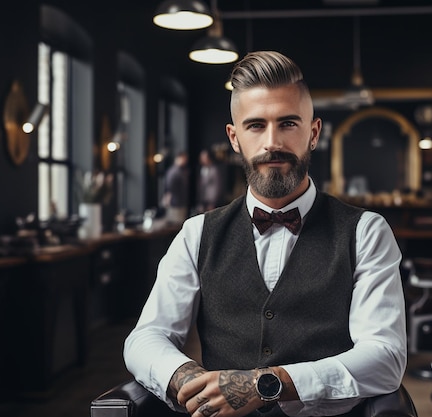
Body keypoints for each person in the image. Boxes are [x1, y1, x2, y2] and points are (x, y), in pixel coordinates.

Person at [124, 51, 407, 417]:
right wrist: (185, 376)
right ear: (235, 137)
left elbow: (385, 357)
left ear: (314, 132)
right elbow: (145, 338)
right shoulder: (197, 234)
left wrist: (265, 384)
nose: (272, 142)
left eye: (288, 123)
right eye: (256, 125)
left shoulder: (366, 232)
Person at [164, 151, 190, 224]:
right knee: (176, 225)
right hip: (176, 202)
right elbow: (169, 187)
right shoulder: (174, 171)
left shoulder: (182, 170)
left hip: (181, 202)